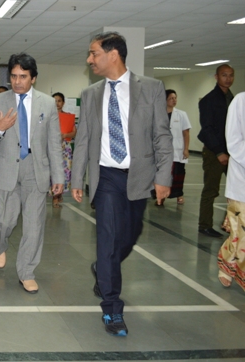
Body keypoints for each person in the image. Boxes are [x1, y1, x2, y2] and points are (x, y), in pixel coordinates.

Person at [71, 32, 173, 337]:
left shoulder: (151, 88)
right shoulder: (91, 94)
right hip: (107, 177)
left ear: (113, 54)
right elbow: (83, 139)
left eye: (94, 54)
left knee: (129, 236)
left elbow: (161, 135)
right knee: (107, 239)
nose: (89, 60)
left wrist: (163, 177)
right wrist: (77, 178)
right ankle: (112, 307)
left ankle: (103, 269)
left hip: (140, 176)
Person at [0, 53, 63, 294]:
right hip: (6, 169)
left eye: (23, 77)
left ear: (33, 78)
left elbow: (54, 143)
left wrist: (58, 176)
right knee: (4, 221)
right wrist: (0, 128)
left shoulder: (47, 103)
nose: (17, 81)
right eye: (14, 76)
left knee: (34, 226)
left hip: (36, 171)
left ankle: (27, 272)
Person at [197, 64, 235, 238]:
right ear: (216, 77)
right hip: (214, 152)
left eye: (231, 75)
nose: (228, 78)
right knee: (211, 190)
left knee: (237, 189)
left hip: (232, 152)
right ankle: (205, 225)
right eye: (224, 75)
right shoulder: (209, 100)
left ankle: (229, 223)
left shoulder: (233, 99)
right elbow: (207, 129)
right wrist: (219, 152)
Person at [218, 92, 245, 291]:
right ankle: (228, 264)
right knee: (240, 233)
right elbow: (234, 142)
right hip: (241, 182)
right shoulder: (241, 101)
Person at [162, 89, 191, 206]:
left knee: (178, 173)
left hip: (177, 150)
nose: (174, 100)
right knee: (163, 174)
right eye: (171, 98)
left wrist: (186, 149)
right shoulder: (158, 114)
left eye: (175, 98)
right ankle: (161, 196)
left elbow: (186, 133)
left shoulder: (181, 114)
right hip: (162, 151)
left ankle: (179, 194)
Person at [51, 92, 77, 208]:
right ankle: (55, 195)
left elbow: (74, 133)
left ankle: (59, 193)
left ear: (63, 103)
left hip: (65, 148)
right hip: (51, 147)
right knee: (52, 171)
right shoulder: (48, 116)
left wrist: (65, 134)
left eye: (59, 101)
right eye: (54, 101)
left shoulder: (68, 117)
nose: (57, 103)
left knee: (64, 171)